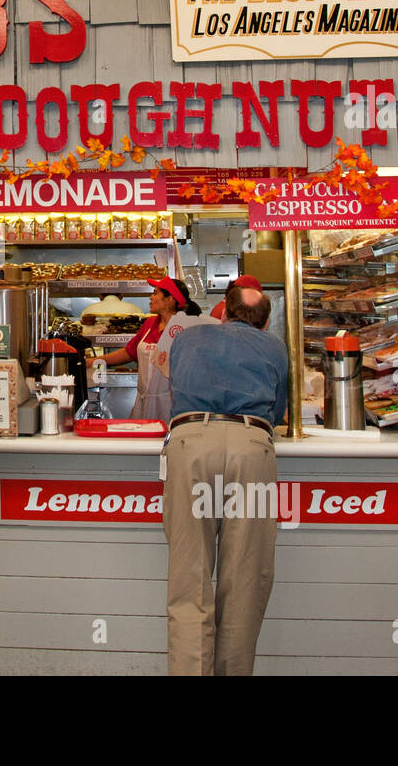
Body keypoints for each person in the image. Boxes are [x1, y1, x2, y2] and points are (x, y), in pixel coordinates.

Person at [162, 284, 289, 676]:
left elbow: (172, 389)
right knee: (245, 577)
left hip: (191, 445)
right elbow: (279, 410)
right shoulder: (275, 347)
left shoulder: (188, 339)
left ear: (222, 313)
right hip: (251, 448)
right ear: (266, 322)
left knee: (190, 578)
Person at [85, 276, 216, 420]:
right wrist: (95, 360)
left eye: (155, 293)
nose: (150, 297)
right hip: (144, 401)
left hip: (171, 403)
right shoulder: (150, 324)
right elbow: (129, 352)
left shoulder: (184, 327)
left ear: (170, 299)